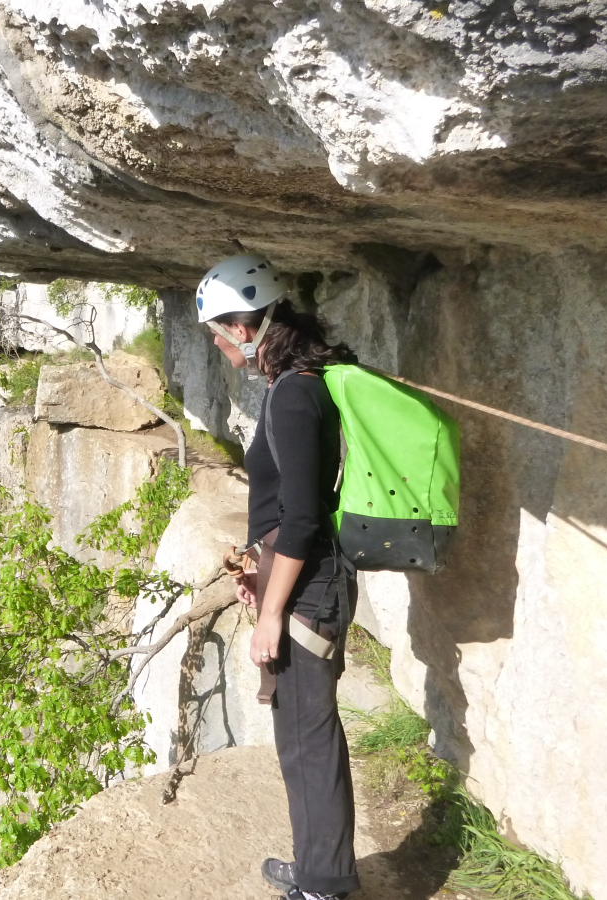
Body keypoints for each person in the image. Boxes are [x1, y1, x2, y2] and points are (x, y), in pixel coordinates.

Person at [196, 254, 360, 900]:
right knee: (302, 736)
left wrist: (270, 613)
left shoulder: (294, 394)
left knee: (307, 739)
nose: (214, 344)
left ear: (243, 328)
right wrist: (257, 573)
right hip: (301, 581)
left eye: (216, 332)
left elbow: (299, 519)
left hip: (309, 590)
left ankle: (324, 886)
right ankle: (320, 868)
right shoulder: (297, 382)